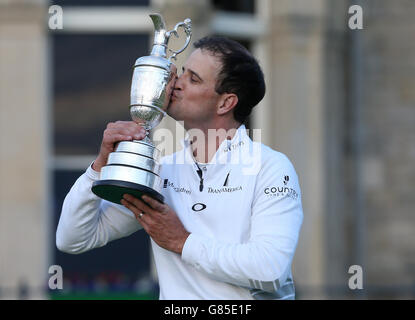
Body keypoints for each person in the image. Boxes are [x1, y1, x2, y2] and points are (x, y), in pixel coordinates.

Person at [56, 36, 303, 300]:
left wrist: (182, 241)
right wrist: (100, 167)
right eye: (183, 72)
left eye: (193, 79)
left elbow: (270, 270)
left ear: (225, 103)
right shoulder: (162, 169)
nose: (176, 83)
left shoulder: (271, 167)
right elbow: (73, 239)